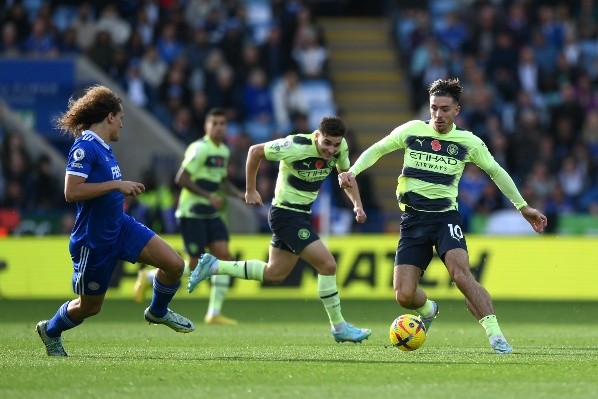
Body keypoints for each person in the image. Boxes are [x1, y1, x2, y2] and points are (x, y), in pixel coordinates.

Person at [338, 78, 547, 354]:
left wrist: (522, 206)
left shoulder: (468, 141)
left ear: (457, 110)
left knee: (461, 275)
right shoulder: (412, 130)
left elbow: (496, 171)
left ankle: (495, 335)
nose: (438, 115)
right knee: (403, 295)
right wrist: (354, 170)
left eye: (445, 109)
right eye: (434, 108)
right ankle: (429, 308)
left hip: (445, 218)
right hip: (412, 220)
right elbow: (378, 148)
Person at [35, 85, 195, 357]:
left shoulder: (105, 148)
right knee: (90, 307)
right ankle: (50, 330)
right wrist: (115, 185)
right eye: (121, 118)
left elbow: (106, 188)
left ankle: (157, 312)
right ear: (110, 116)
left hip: (121, 226)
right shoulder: (85, 147)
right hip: (94, 240)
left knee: (175, 265)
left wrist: (117, 188)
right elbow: (71, 191)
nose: (122, 124)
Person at [187, 116, 372, 343]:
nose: (331, 150)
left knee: (274, 274)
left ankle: (214, 266)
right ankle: (339, 327)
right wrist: (251, 190)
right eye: (326, 143)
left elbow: (346, 178)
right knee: (328, 264)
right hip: (286, 215)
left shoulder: (340, 148)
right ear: (316, 136)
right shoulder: (295, 145)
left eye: (335, 144)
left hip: (301, 214)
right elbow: (255, 151)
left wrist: (357, 205)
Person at [134, 108, 245, 325]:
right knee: (194, 266)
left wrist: (240, 194)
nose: (219, 127)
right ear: (206, 126)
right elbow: (181, 178)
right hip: (192, 212)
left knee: (225, 258)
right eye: (215, 123)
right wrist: (207, 196)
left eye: (223, 123)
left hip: (211, 213)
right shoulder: (199, 148)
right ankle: (148, 277)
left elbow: (221, 181)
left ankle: (213, 313)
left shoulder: (223, 151)